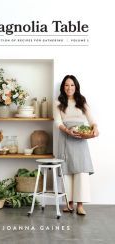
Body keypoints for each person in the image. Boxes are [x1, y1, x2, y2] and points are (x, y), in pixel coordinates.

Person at [53, 75, 99, 215]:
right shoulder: (57, 102)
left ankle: (80, 205)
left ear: (76, 86)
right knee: (67, 170)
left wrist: (95, 128)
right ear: (63, 87)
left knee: (81, 170)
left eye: (72, 85)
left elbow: (92, 120)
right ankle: (69, 203)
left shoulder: (81, 101)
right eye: (67, 85)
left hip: (81, 138)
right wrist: (68, 131)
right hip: (66, 137)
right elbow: (58, 123)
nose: (69, 88)